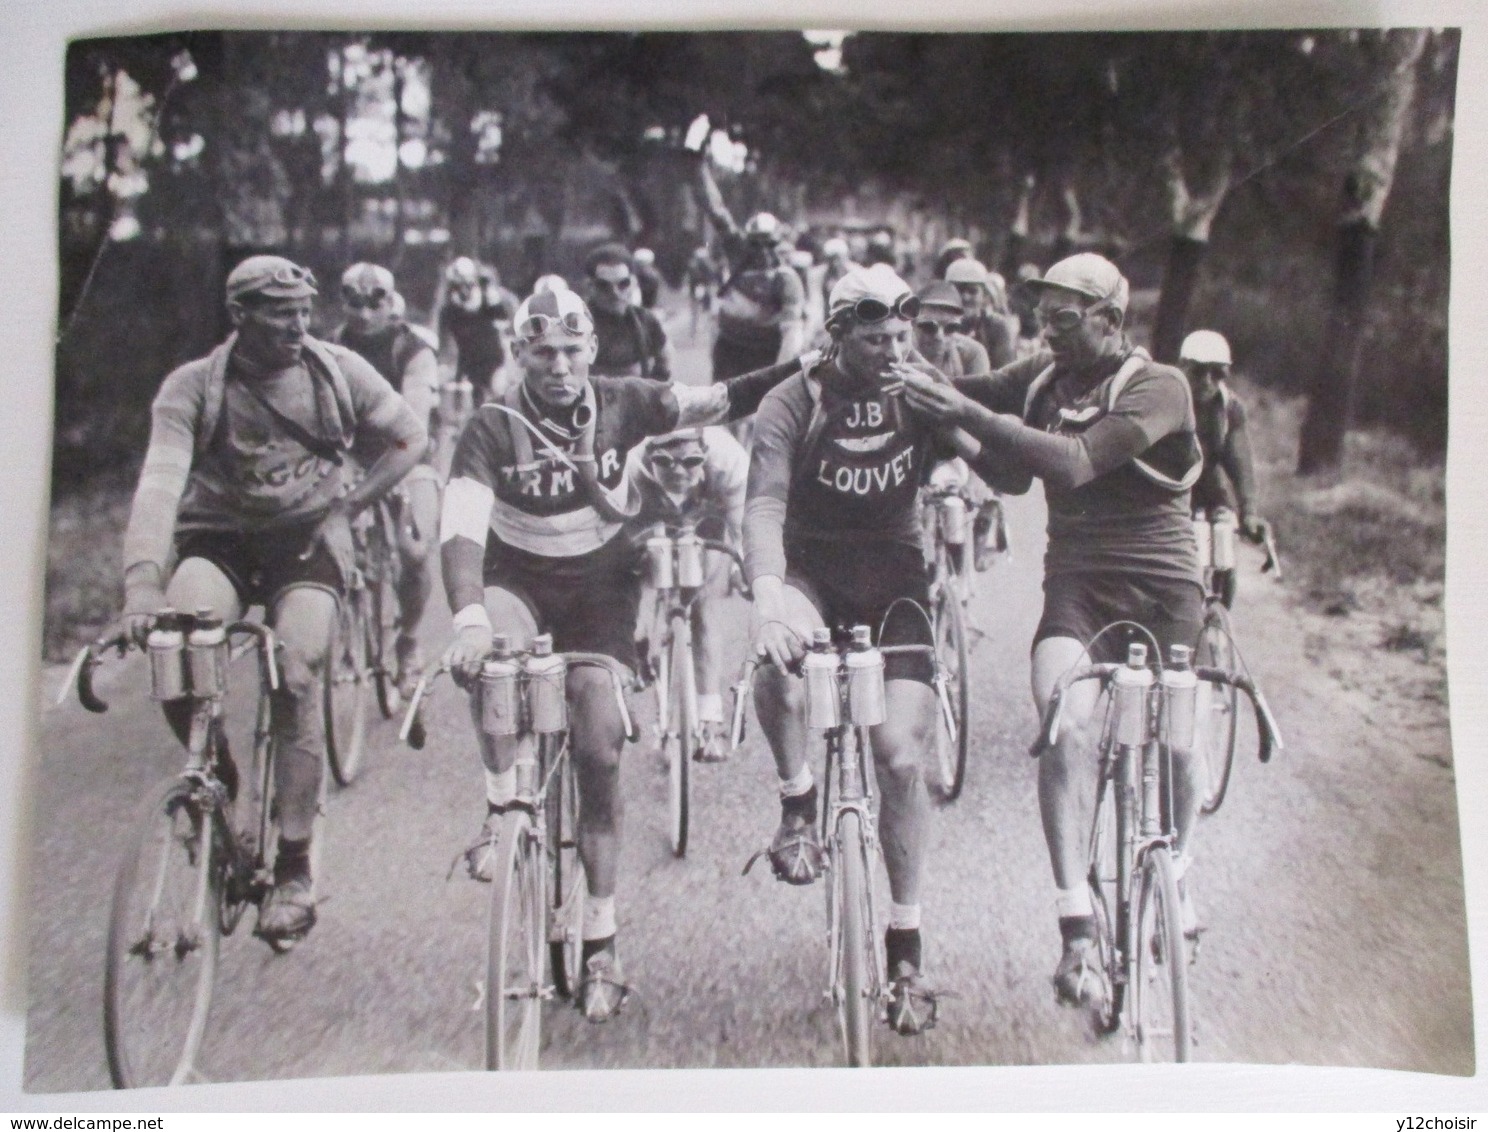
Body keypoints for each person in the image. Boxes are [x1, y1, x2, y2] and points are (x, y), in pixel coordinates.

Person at [437, 286, 806, 1021]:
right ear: (519, 355)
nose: (559, 366)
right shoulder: (489, 425)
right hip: (518, 581)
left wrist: (805, 366)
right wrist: (469, 618)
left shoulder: (627, 401)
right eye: (543, 352)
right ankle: (499, 802)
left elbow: (721, 398)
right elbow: (461, 529)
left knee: (600, 749)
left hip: (600, 594)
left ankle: (601, 938)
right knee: (494, 661)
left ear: (593, 352)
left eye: (573, 351)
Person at [897, 253, 1205, 1011]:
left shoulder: (1160, 386)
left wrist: (964, 415)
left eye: (1065, 319)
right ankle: (1074, 920)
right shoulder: (1041, 378)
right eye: (1042, 318)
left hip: (1166, 586)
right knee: (1063, 721)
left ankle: (1183, 870)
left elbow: (1070, 464)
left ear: (1111, 318)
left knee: (1179, 737)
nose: (1048, 332)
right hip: (1079, 586)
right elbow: (987, 433)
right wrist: (894, 381)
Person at [119, 255, 426, 946]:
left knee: (297, 668)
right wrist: (142, 580)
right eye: (279, 313)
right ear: (240, 315)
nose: (297, 325)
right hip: (218, 539)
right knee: (178, 650)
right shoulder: (193, 387)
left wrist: (350, 507)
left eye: (302, 310)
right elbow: (160, 485)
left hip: (305, 540)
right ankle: (217, 774)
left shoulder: (337, 371)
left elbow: (411, 436)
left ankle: (293, 866)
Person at [745, 264, 962, 1038]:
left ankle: (905, 944)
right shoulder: (792, 402)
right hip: (810, 568)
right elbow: (764, 504)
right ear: (838, 336)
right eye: (876, 340)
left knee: (899, 757)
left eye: (901, 337)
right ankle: (798, 796)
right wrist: (770, 599)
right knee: (775, 654)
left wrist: (962, 454)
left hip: (895, 575)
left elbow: (981, 450)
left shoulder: (918, 385)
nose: (893, 351)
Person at [330, 263, 443, 697]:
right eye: (353, 301)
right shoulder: (330, 347)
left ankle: (409, 641)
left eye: (374, 299)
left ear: (390, 301)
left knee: (414, 550)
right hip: (354, 455)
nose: (363, 311)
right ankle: (343, 626)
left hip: (408, 456)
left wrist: (395, 471)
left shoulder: (412, 349)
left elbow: (412, 419)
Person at [624, 426, 748, 763]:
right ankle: (652, 665)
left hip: (707, 516)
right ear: (649, 457)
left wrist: (742, 569)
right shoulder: (630, 466)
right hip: (649, 516)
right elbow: (618, 538)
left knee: (705, 607)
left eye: (691, 461)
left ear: (706, 453)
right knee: (639, 593)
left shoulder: (728, 461)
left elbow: (742, 527)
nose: (678, 471)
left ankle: (709, 720)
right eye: (665, 461)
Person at [912, 281, 1007, 570]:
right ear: (912, 325)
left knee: (954, 508)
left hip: (952, 448)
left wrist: (978, 481)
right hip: (907, 446)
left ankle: (956, 582)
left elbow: (980, 421)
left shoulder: (972, 354)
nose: (939, 336)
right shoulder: (896, 351)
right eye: (928, 327)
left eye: (951, 328)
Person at [1179, 329, 1266, 608]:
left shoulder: (1230, 408)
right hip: (1172, 490)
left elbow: (1240, 461)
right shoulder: (1164, 399)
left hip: (1210, 489)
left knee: (1224, 548)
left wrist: (1249, 510)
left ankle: (1221, 620)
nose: (1207, 382)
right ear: (1182, 368)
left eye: (1217, 374)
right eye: (1199, 372)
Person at [696, 159, 807, 379]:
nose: (763, 251)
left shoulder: (787, 279)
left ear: (780, 244)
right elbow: (717, 213)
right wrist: (699, 172)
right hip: (729, 346)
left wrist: (779, 374)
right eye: (756, 244)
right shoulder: (738, 255)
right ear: (747, 243)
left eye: (770, 245)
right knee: (725, 404)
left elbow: (791, 333)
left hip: (766, 350)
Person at [582, 243, 672, 381]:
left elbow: (665, 358)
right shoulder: (578, 323)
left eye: (623, 284)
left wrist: (653, 390)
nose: (615, 293)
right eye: (604, 286)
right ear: (590, 286)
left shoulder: (645, 320)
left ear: (633, 283)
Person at [437, 256, 518, 404]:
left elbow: (506, 323)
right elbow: (444, 342)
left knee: (499, 395)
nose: (464, 290)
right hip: (468, 365)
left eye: (468, 284)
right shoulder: (449, 310)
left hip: (494, 361)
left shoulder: (490, 301)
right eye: (458, 285)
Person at [945, 258, 1020, 368]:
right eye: (959, 290)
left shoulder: (997, 327)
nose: (965, 297)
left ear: (984, 296)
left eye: (973, 291)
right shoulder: (937, 325)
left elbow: (1005, 374)